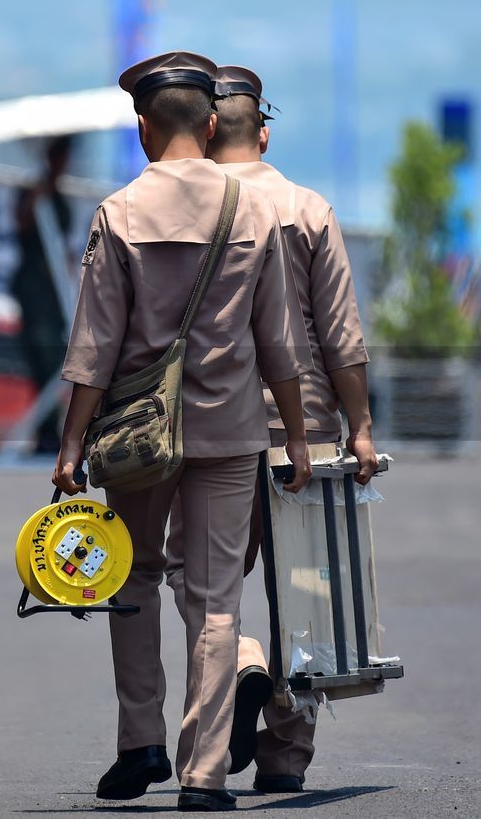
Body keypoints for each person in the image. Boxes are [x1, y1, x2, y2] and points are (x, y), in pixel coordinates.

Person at [53, 51, 313, 813]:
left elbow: (93, 348)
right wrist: (294, 438)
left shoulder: (119, 213)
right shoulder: (254, 211)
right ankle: (204, 775)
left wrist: (70, 445)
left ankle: (141, 741)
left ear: (142, 128)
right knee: (216, 597)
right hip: (232, 433)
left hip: (138, 438)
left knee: (130, 577)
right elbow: (280, 345)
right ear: (209, 124)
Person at [165, 65, 377, 795]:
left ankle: (243, 662)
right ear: (262, 129)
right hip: (306, 419)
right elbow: (340, 333)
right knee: (306, 582)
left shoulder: (179, 206)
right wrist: (362, 427)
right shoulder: (305, 206)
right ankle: (286, 754)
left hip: (209, 418)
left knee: (200, 573)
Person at [12, 135, 76, 453]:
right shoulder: (33, 192)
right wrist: (40, 187)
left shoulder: (61, 198)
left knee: (56, 358)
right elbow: (22, 222)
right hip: (34, 291)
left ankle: (53, 428)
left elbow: (64, 246)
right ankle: (45, 432)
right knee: (40, 354)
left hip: (55, 294)